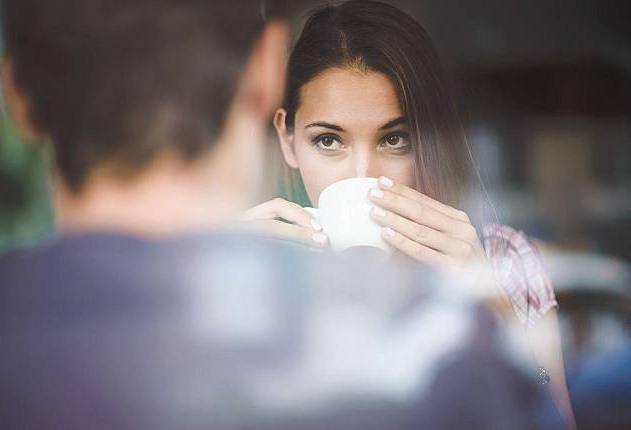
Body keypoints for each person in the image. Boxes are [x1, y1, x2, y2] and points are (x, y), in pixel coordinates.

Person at [240, 1, 575, 427]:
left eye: (394, 139)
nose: (363, 174)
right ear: (287, 140)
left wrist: (484, 300)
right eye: (328, 141)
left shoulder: (501, 260)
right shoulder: (257, 266)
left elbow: (553, 420)